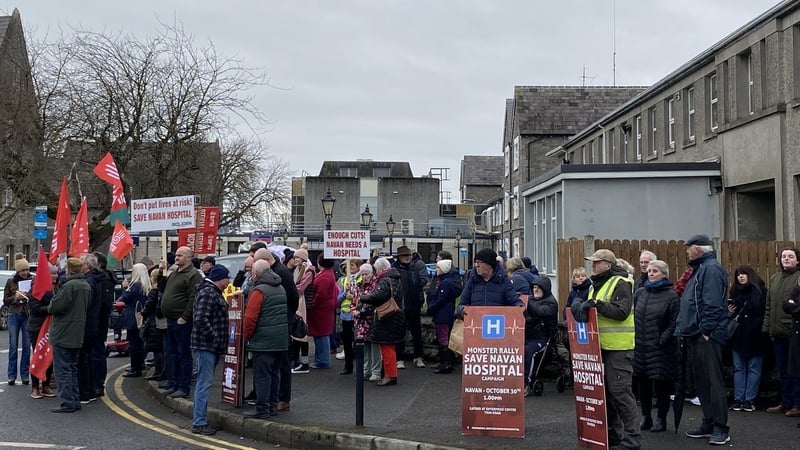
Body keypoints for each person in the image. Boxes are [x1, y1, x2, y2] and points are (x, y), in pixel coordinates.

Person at [572, 249, 639, 449]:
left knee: (621, 394)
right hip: (600, 347)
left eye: (596, 262)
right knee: (607, 395)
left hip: (618, 348)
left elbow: (621, 312)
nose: (592, 265)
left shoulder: (621, 283)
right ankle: (613, 436)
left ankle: (632, 440)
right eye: (592, 262)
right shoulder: (596, 284)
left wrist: (597, 305)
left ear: (608, 265)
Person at [674, 235, 730, 445]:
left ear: (697, 249)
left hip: (707, 335)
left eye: (689, 248)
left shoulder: (711, 269)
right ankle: (708, 422)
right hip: (695, 334)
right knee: (702, 382)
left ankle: (721, 427)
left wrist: (706, 330)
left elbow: (713, 303)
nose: (687, 252)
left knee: (714, 381)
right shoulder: (700, 269)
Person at [633, 259, 679, 432]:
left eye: (655, 271)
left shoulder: (671, 295)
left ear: (664, 274)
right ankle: (646, 416)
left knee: (661, 385)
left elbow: (674, 321)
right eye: (649, 271)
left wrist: (663, 338)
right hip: (641, 345)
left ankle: (661, 418)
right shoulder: (640, 293)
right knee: (643, 382)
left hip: (661, 347)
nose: (651, 273)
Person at [243, 260, 288, 419]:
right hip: (280, 340)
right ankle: (272, 406)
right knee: (274, 374)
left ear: (256, 273)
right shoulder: (280, 287)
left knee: (262, 376)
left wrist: (246, 337)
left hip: (263, 342)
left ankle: (261, 408)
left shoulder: (258, 291)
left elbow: (250, 318)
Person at [190, 264, 230, 435]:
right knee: (203, 383)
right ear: (220, 278)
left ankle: (201, 419)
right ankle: (199, 422)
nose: (229, 281)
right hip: (206, 345)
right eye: (227, 278)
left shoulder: (211, 291)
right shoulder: (208, 292)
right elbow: (200, 318)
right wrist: (214, 336)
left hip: (208, 345)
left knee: (204, 383)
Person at [47, 258, 91, 413]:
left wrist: (53, 299)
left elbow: (55, 306)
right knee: (72, 368)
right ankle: (74, 399)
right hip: (77, 331)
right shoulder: (85, 285)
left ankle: (67, 402)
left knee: (63, 369)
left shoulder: (69, 286)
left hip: (64, 332)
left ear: (69, 270)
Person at [160, 246, 204, 399]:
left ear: (188, 257)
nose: (176, 257)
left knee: (183, 354)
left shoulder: (193, 275)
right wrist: (161, 273)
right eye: (176, 255)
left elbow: (194, 298)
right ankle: (175, 384)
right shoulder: (174, 273)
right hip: (171, 320)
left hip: (182, 322)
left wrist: (185, 316)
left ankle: (184, 387)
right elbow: (163, 289)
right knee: (173, 354)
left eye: (180, 255)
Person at [358, 257, 407, 386]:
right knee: (389, 346)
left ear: (380, 269)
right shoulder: (395, 278)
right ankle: (390, 374)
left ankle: (390, 375)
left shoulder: (385, 280)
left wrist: (363, 298)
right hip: (394, 316)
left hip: (387, 317)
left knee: (386, 346)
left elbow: (378, 296)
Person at [764, 247, 800, 416]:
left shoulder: (798, 278)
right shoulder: (775, 278)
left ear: (797, 260)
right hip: (777, 332)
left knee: (796, 370)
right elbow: (769, 305)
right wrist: (767, 327)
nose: (786, 259)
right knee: (783, 370)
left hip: (793, 332)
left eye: (790, 256)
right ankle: (785, 402)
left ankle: (797, 404)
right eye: (784, 256)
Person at [728, 265, 767, 413]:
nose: (740, 277)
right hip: (738, 335)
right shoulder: (735, 292)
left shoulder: (761, 292)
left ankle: (749, 400)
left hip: (757, 335)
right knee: (739, 368)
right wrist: (728, 312)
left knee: (753, 368)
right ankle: (739, 399)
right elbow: (731, 314)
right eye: (738, 274)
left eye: (743, 274)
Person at [391, 246, 429, 369]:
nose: (407, 258)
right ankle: (399, 358)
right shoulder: (394, 269)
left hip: (414, 304)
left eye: (409, 255)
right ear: (399, 257)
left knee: (417, 333)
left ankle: (418, 357)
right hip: (400, 305)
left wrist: (417, 282)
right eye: (405, 256)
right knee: (399, 334)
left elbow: (424, 280)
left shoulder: (416, 266)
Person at [457, 248, 523, 317]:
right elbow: (461, 305)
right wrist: (463, 310)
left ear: (490, 264)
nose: (477, 265)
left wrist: (520, 307)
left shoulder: (503, 281)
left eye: (480, 262)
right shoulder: (472, 281)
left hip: (497, 324)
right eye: (476, 262)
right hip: (476, 323)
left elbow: (514, 301)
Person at [86, 252, 116, 399]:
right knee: (96, 352)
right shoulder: (106, 278)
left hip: (97, 322)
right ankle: (95, 383)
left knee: (96, 353)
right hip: (99, 321)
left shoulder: (103, 280)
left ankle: (97, 384)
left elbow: (103, 304)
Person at [28, 263, 59, 399]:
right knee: (38, 355)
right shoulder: (36, 289)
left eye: (56, 273)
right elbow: (35, 308)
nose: (56, 276)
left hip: (51, 327)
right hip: (37, 327)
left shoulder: (56, 289)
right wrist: (50, 309)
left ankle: (46, 385)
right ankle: (35, 386)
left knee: (49, 356)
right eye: (53, 273)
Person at [524, 277, 558, 396]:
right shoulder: (531, 300)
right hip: (526, 335)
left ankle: (525, 383)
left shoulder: (551, 303)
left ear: (545, 289)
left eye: (538, 288)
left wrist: (525, 303)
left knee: (528, 351)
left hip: (542, 338)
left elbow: (540, 312)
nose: (535, 290)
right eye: (534, 287)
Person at [426, 259, 459, 374]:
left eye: (438, 268)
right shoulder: (446, 281)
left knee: (443, 339)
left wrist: (431, 308)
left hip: (442, 315)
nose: (436, 270)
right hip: (444, 314)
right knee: (443, 337)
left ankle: (446, 363)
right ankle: (444, 362)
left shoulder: (445, 283)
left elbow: (440, 299)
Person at [3, 253, 32, 386]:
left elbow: (36, 297)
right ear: (18, 271)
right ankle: (11, 375)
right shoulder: (11, 282)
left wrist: (28, 296)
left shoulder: (32, 281)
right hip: (14, 315)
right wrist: (15, 297)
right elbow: (6, 300)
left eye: (26, 270)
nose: (25, 272)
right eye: (22, 270)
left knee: (26, 347)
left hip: (26, 315)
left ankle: (25, 375)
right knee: (13, 346)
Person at [118, 263, 151, 377]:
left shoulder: (135, 285)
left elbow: (125, 299)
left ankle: (135, 368)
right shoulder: (146, 285)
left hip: (133, 317)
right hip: (141, 316)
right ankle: (140, 364)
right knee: (140, 342)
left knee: (133, 344)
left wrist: (124, 288)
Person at [287, 249, 315, 374]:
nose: (295, 259)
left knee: (302, 332)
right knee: (296, 333)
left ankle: (304, 363)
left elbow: (301, 288)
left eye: (297, 257)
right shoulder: (297, 270)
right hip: (297, 302)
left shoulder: (308, 270)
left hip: (303, 303)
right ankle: (297, 361)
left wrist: (292, 288)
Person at [308, 255, 337, 370]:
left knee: (322, 335)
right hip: (323, 309)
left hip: (321, 310)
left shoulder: (325, 276)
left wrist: (312, 304)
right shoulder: (327, 274)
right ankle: (320, 360)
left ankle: (323, 361)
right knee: (321, 335)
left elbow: (321, 294)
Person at [353, 263, 381, 381]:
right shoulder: (358, 286)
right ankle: (366, 370)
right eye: (363, 274)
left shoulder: (376, 285)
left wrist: (362, 311)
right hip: (360, 321)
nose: (364, 276)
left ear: (371, 274)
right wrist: (353, 310)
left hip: (372, 320)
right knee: (364, 346)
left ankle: (376, 371)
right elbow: (354, 301)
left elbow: (374, 300)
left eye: (366, 274)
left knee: (374, 346)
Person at [337, 259, 363, 375]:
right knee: (347, 342)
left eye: (352, 265)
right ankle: (348, 366)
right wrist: (344, 294)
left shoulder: (361, 279)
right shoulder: (343, 280)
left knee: (360, 340)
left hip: (358, 314)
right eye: (349, 265)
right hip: (346, 314)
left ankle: (362, 366)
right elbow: (338, 299)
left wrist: (353, 297)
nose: (350, 267)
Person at [140, 268, 166, 381]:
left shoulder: (154, 291)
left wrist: (142, 313)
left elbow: (149, 306)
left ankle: (158, 371)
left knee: (157, 349)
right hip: (159, 321)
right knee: (160, 348)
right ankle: (160, 370)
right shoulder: (161, 290)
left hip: (154, 321)